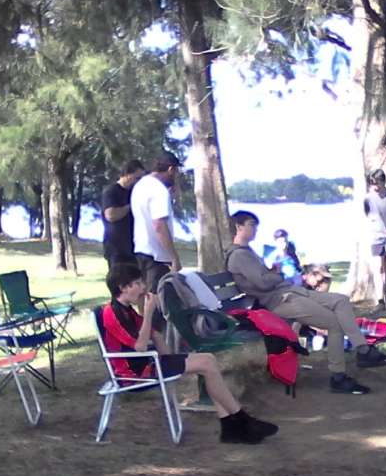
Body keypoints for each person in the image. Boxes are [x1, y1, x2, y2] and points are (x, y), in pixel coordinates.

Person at [225, 210, 386, 395]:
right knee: (334, 323)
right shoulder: (239, 256)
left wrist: (272, 274)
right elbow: (262, 282)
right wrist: (277, 274)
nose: (255, 229)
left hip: (290, 292)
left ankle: (363, 350)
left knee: (341, 300)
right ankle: (338, 377)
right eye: (251, 225)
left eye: (256, 226)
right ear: (238, 226)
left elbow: (262, 277)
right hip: (280, 301)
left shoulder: (246, 252)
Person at [102, 263, 278, 444]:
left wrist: (166, 354)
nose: (143, 288)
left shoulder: (128, 310)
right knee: (207, 364)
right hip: (134, 373)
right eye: (137, 283)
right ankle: (241, 420)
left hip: (151, 362)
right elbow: (139, 347)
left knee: (208, 361)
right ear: (123, 288)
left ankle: (230, 425)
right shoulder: (112, 313)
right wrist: (148, 314)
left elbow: (155, 336)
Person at [130, 152, 182, 292]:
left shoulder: (141, 185)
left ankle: (144, 315)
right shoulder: (159, 190)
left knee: (144, 293)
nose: (176, 177)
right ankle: (148, 316)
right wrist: (173, 257)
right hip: (157, 254)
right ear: (171, 169)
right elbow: (159, 225)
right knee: (155, 296)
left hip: (141, 248)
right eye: (176, 172)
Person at [101, 159, 146, 269]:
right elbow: (111, 215)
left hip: (133, 247)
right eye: (137, 178)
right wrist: (131, 206)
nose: (138, 182)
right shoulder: (111, 191)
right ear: (127, 174)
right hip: (116, 248)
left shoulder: (135, 192)